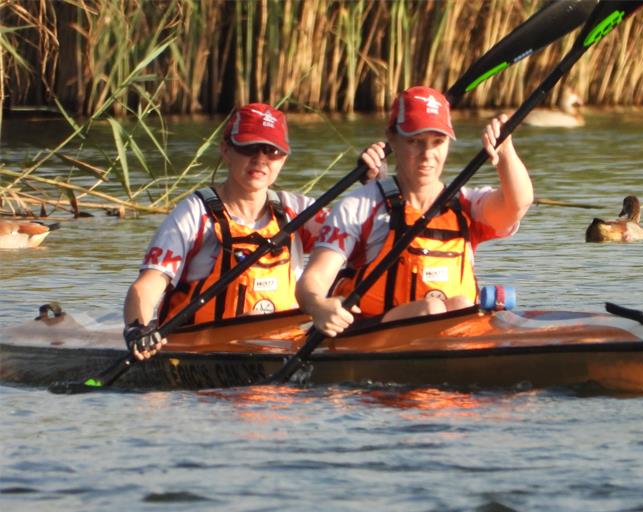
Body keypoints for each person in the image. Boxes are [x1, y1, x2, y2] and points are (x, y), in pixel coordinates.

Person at [122, 102, 383, 360]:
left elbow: (371, 246)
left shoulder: (297, 211)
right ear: (226, 150)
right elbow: (147, 286)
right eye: (249, 148)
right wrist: (139, 329)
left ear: (284, 159)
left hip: (285, 350)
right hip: (203, 353)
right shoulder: (195, 215)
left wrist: (374, 185)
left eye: (271, 151)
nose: (260, 160)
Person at [296, 85, 533, 338]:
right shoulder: (360, 206)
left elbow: (517, 205)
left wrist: (505, 149)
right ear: (393, 139)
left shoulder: (466, 204)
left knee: (462, 305)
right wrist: (318, 305)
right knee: (431, 309)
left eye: (438, 142)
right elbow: (313, 280)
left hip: (454, 332)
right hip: (371, 336)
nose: (427, 155)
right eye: (414, 141)